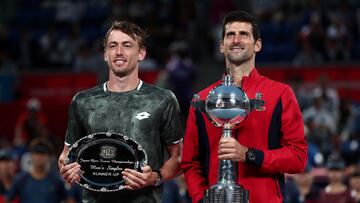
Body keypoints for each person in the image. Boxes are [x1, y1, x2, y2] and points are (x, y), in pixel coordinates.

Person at [181, 10, 308, 203]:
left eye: (244, 34)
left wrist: (250, 155)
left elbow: (298, 158)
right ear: (222, 46)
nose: (236, 40)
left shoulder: (280, 94)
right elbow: (191, 163)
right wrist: (201, 199)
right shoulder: (201, 99)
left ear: (258, 45)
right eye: (230, 35)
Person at [58, 20, 183, 203]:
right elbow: (65, 156)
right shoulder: (83, 101)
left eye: (127, 45)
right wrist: (66, 169)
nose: (119, 52)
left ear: (141, 53)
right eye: (113, 46)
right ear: (105, 55)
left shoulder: (162, 99)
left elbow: (178, 158)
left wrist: (155, 177)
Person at [5, 138, 69, 203]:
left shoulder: (56, 180)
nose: (39, 157)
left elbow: (69, 200)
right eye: (37, 153)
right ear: (31, 155)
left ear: (49, 157)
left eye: (43, 153)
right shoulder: (21, 179)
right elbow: (8, 199)